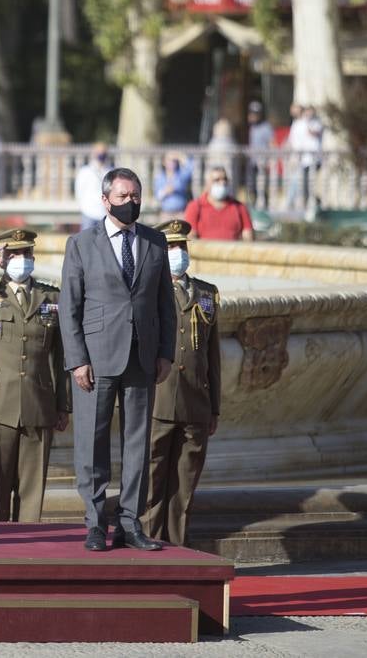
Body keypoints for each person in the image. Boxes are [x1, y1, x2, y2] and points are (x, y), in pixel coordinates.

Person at [60, 167, 176, 551]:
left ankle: (131, 522)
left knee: (137, 445)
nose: (132, 203)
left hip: (142, 357)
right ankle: (95, 522)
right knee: (92, 444)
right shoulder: (81, 245)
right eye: (124, 197)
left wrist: (165, 353)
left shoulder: (155, 242)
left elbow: (165, 305)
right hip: (96, 358)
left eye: (136, 196)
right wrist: (77, 360)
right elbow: (69, 307)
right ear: (106, 200)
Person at [0, 229, 70, 522]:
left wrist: (63, 404)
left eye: (25, 254)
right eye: (13, 255)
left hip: (38, 401)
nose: (20, 260)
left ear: (33, 258)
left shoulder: (52, 297)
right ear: (2, 260)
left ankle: (29, 552)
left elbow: (61, 355)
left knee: (32, 492)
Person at [142, 220, 221, 546]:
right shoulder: (147, 290)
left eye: (182, 248)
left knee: (185, 482)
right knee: (151, 479)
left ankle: (177, 548)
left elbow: (213, 355)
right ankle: (146, 542)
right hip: (158, 398)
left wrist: (214, 406)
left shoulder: (207, 293)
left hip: (195, 402)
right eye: (172, 248)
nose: (178, 254)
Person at [184, 167, 254, 242]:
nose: (222, 183)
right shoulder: (195, 206)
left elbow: (248, 237)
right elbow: (191, 237)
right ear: (207, 183)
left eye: (225, 179)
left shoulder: (239, 207)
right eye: (217, 180)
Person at [285, 104, 324, 211]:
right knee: (299, 183)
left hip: (312, 159)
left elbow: (313, 133)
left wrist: (308, 121)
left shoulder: (314, 122)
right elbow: (293, 141)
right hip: (301, 160)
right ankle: (294, 204)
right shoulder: (297, 124)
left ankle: (307, 204)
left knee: (305, 184)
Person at [73, 143, 111, 231]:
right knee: (85, 242)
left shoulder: (110, 171)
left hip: (105, 214)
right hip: (89, 212)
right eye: (99, 152)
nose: (101, 155)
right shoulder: (85, 171)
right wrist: (83, 206)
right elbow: (79, 191)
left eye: (103, 152)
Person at [246, 101, 275, 208]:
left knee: (261, 186)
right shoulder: (252, 127)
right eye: (251, 113)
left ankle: (264, 205)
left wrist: (270, 161)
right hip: (252, 161)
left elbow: (272, 144)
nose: (252, 116)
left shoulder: (266, 127)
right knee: (251, 185)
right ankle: (254, 205)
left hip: (262, 162)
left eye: (255, 114)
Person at [153, 152, 192, 219]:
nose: (172, 162)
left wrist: (180, 156)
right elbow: (157, 196)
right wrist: (165, 191)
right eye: (169, 160)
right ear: (164, 162)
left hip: (181, 213)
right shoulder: (159, 177)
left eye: (174, 160)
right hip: (166, 214)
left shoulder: (181, 175)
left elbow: (190, 167)